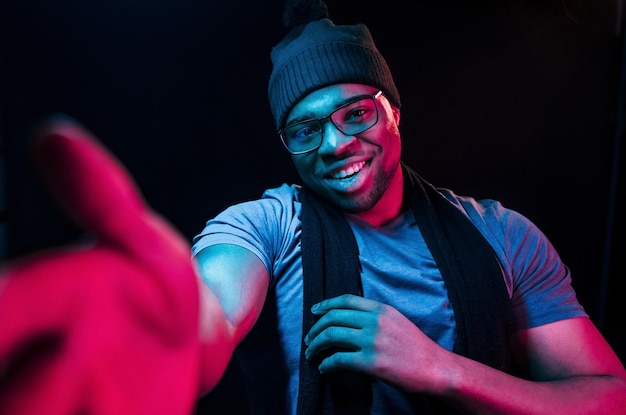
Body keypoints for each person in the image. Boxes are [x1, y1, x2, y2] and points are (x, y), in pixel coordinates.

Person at [191, 0, 626, 414]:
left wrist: (439, 369)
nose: (336, 145)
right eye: (306, 130)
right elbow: (199, 334)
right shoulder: (265, 227)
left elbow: (611, 399)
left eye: (357, 114)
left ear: (393, 111)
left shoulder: (504, 235)